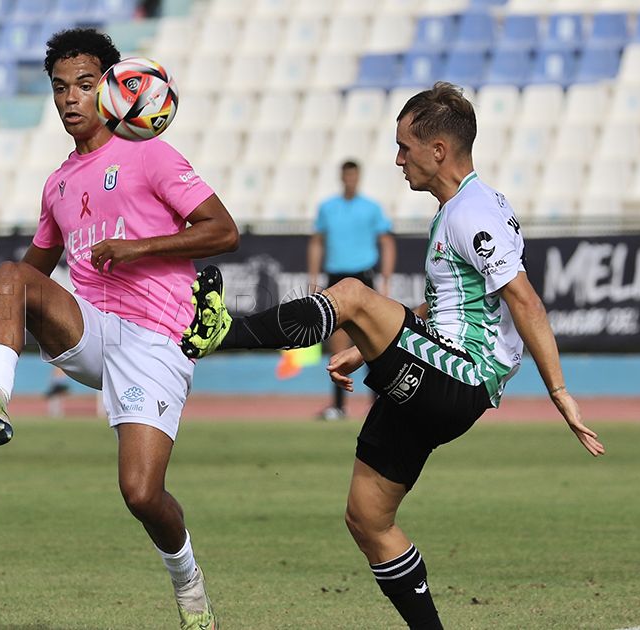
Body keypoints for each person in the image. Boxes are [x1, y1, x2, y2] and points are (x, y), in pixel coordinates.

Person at [182, 82, 604, 629]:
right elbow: (457, 309)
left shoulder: (473, 212)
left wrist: (560, 392)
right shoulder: (463, 207)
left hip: (461, 376)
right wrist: (367, 346)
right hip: (441, 369)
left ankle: (220, 333)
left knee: (353, 292)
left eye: (405, 147)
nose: (397, 158)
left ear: (438, 151)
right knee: (368, 517)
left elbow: (524, 301)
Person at [0, 28, 238, 630]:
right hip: (89, 331)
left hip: (155, 336)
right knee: (12, 270)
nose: (69, 99)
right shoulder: (57, 183)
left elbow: (223, 230)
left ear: (110, 87)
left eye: (84, 86)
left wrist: (139, 249)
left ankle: (189, 584)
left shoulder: (150, 152)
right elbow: (25, 280)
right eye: (60, 88)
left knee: (141, 494)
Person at [309, 160, 396, 421]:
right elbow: (316, 242)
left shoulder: (371, 208)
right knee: (338, 342)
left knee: (371, 340)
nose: (350, 180)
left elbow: (387, 242)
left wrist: (386, 279)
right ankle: (339, 405)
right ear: (342, 177)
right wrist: (313, 278)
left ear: (358, 178)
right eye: (346, 176)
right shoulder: (328, 208)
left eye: (353, 176)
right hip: (336, 275)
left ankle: (377, 403)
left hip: (364, 275)